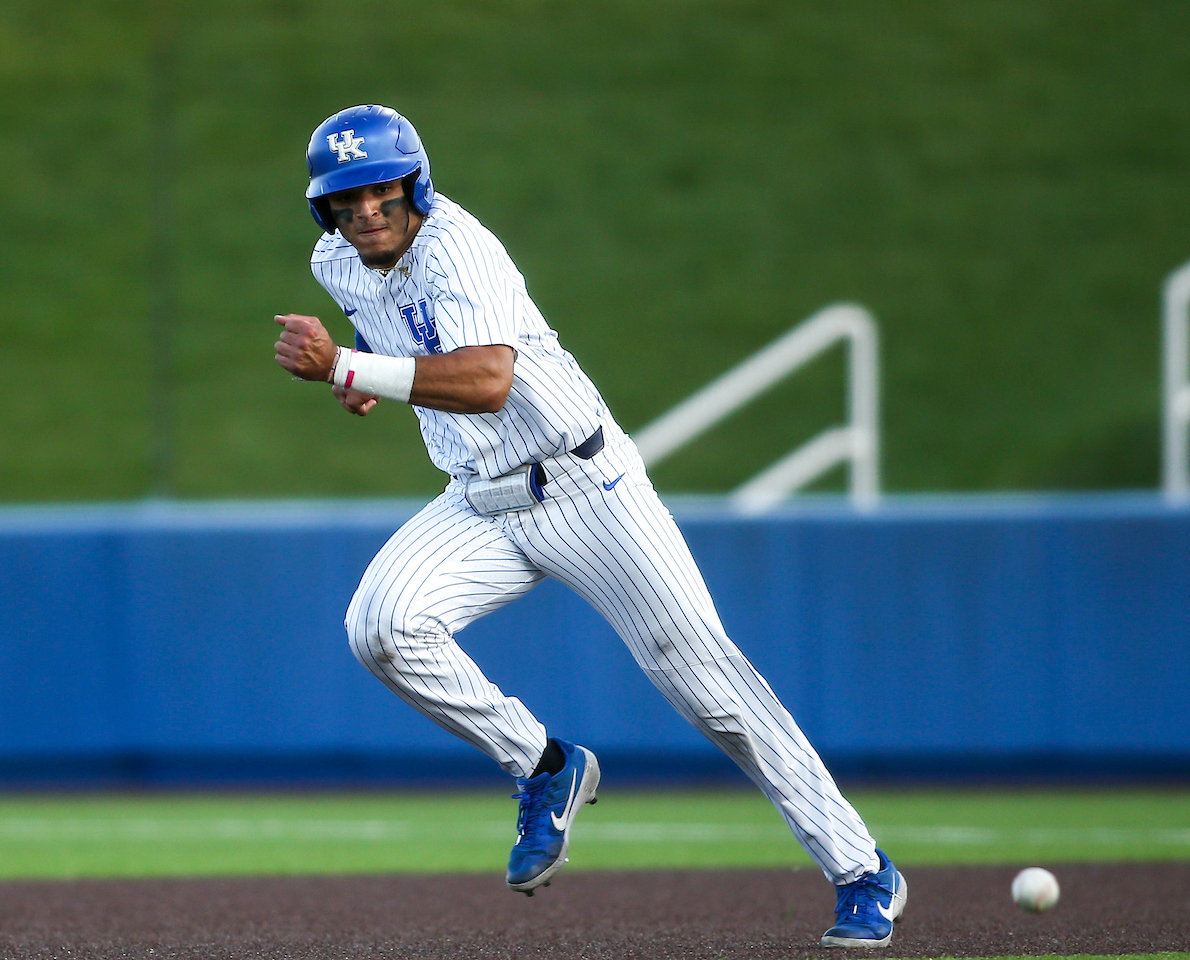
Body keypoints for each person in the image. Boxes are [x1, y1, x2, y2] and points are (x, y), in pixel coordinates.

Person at [274, 104, 906, 948]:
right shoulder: (337, 260)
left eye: (379, 188)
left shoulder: (459, 246)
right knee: (381, 629)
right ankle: (545, 766)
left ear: (414, 181)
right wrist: (370, 368)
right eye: (344, 199)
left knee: (713, 693)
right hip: (479, 497)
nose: (364, 211)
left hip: (584, 485)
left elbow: (490, 378)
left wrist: (348, 367)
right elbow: (390, 322)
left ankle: (863, 870)